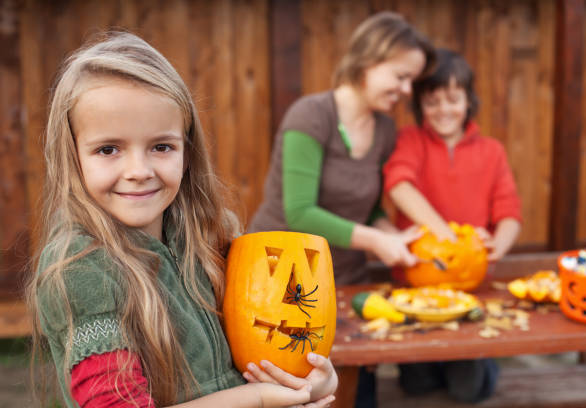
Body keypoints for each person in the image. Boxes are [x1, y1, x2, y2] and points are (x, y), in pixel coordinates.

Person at [26, 32, 337, 408]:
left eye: (161, 147)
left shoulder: (214, 234)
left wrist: (307, 382)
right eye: (108, 149)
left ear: (187, 152)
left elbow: (269, 347)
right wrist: (256, 399)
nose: (139, 170)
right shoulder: (82, 269)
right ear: (72, 157)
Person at [248, 12, 435, 408]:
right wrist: (378, 242)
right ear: (368, 60)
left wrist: (395, 237)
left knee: (356, 393)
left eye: (412, 81)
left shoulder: (384, 130)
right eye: (401, 76)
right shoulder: (310, 116)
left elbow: (366, 209)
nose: (406, 90)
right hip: (281, 283)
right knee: (294, 388)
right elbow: (299, 212)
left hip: (344, 280)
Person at [383, 48, 522, 402]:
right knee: (417, 386)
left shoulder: (492, 151)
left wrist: (496, 247)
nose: (444, 110)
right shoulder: (411, 141)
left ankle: (481, 364)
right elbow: (399, 183)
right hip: (415, 287)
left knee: (468, 391)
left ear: (468, 101)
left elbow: (509, 212)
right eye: (433, 102)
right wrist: (444, 233)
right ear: (420, 106)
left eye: (453, 99)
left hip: (469, 287)